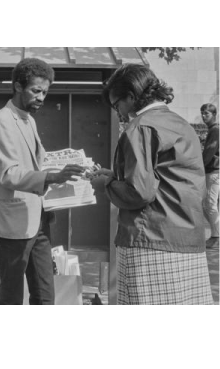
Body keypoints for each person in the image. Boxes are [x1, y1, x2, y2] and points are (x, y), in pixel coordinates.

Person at [90, 63, 213, 305]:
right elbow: (165, 178)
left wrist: (105, 183)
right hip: (188, 238)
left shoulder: (140, 127)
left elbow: (138, 192)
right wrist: (115, 176)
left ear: (132, 96)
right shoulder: (180, 124)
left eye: (118, 106)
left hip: (150, 240)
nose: (119, 114)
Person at [0, 58, 84, 305]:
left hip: (39, 217)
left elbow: (34, 165)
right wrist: (51, 176)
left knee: (44, 288)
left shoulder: (29, 119)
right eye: (36, 91)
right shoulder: (3, 120)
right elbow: (8, 173)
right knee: (11, 293)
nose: (42, 97)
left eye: (45, 92)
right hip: (15, 223)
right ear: (18, 87)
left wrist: (66, 168)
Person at [200, 103, 219, 249]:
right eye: (202, 113)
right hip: (211, 171)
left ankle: (215, 237)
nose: (203, 116)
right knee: (206, 205)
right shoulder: (213, 129)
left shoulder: (215, 130)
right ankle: (216, 232)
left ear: (214, 114)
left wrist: (198, 165)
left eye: (206, 113)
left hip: (213, 171)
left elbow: (210, 151)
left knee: (210, 204)